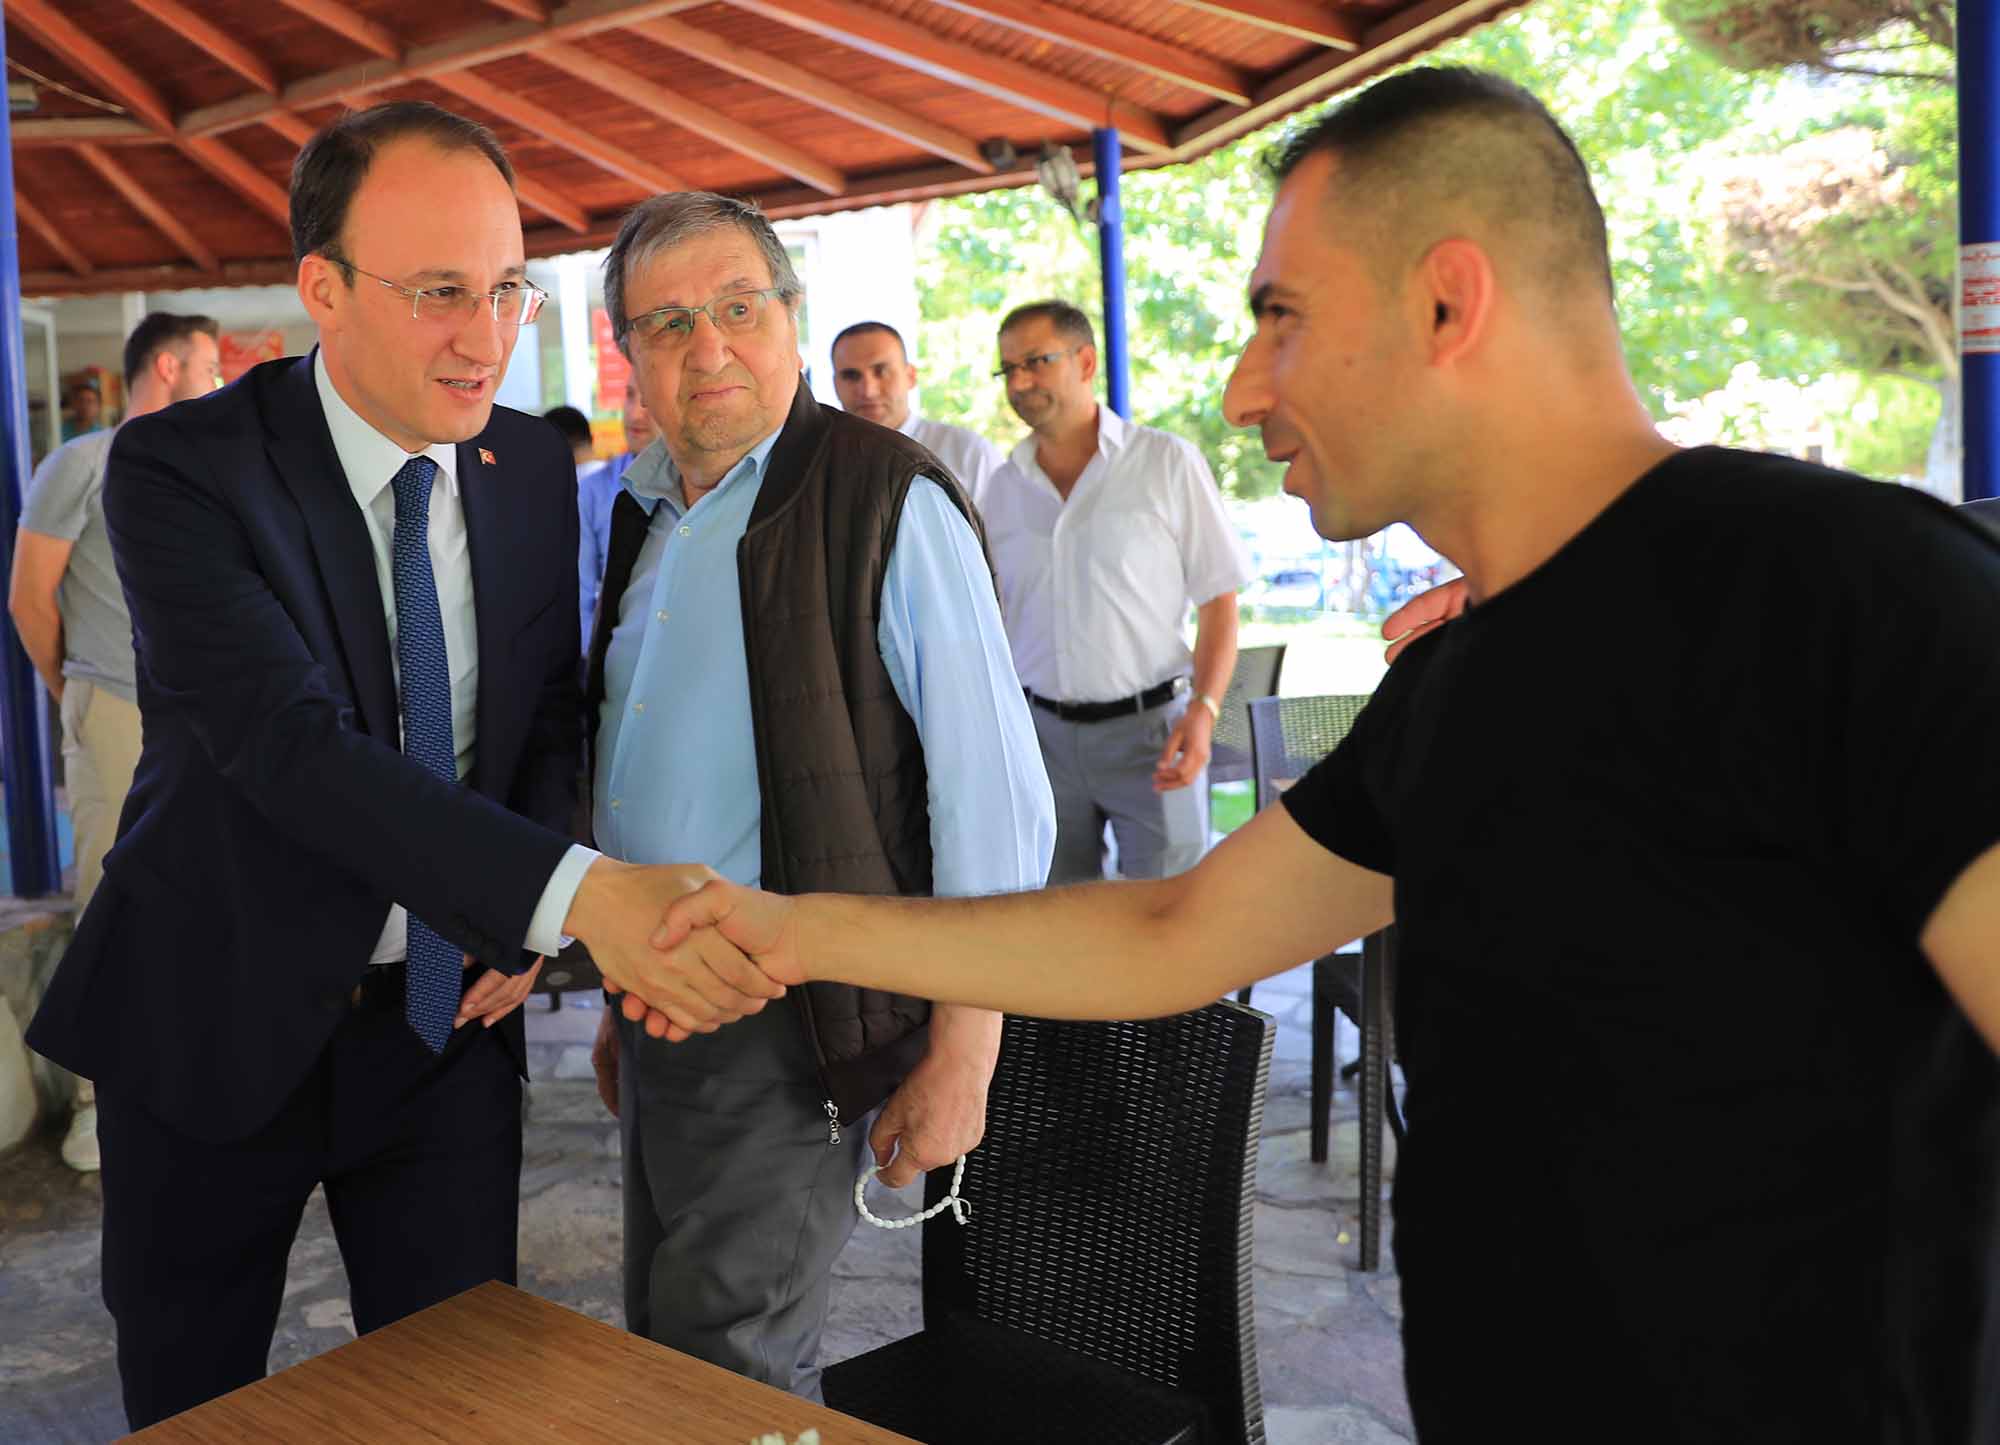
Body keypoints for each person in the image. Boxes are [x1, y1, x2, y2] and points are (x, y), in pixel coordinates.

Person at [650, 69, 2000, 1445]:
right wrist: (792, 930)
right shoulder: (1463, 680)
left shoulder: (1852, 598)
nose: (1243, 391)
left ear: (1446, 304)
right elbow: (1176, 930)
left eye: (1280, 319)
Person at [25, 102, 778, 1430]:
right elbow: (286, 743)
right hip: (212, 1010)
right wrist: (575, 894)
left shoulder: (526, 462)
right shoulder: (183, 468)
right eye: (439, 292)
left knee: (461, 1399)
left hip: (442, 1027)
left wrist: (516, 917)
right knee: (194, 1403)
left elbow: (545, 705)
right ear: (323, 289)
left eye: (505, 289)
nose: (485, 336)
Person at [585, 191, 1054, 1401]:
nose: (707, 346)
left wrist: (966, 1049)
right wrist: (616, 986)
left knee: (727, 1366)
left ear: (792, 317)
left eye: (738, 307)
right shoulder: (641, 510)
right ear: (627, 352)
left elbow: (994, 800)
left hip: (789, 1013)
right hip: (657, 999)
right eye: (668, 322)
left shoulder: (885, 496)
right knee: (669, 1337)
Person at [9, 311, 222, 1172]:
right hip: (116, 707)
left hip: (202, 717)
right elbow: (30, 598)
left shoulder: (201, 467)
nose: (217, 381)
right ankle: (99, 1105)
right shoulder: (84, 462)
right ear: (166, 366)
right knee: (110, 897)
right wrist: (80, 695)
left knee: (199, 899)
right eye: (208, 365)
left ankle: (183, 1083)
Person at [982, 299, 1251, 885]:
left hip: (1154, 735)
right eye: (1009, 369)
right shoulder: (1000, 489)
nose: (1019, 383)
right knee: (1060, 916)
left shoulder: (1165, 463)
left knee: (1172, 913)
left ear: (1085, 362)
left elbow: (1219, 600)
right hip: (1041, 742)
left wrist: (1204, 712)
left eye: (1036, 362)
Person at [829, 320, 1003, 508]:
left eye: (881, 371)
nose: (868, 391)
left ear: (910, 376)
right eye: (851, 376)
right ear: (835, 384)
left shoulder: (968, 453)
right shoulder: (824, 462)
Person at [576, 375, 658, 651]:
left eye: (648, 399)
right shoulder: (593, 491)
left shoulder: (702, 485)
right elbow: (579, 599)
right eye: (630, 396)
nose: (634, 414)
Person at [61, 377, 103, 441]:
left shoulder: (101, 434)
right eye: (81, 400)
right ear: (73, 404)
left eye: (90, 401)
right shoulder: (60, 431)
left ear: (98, 406)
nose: (85, 406)